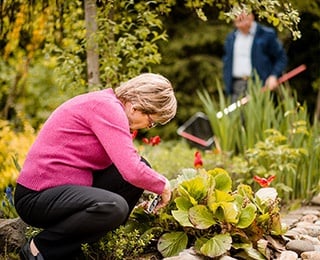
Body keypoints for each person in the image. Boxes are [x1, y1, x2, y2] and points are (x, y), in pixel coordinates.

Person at [14, 73, 177, 260]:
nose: (149, 126)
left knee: (138, 173)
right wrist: (163, 185)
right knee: (114, 206)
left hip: (66, 190)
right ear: (136, 105)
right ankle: (40, 248)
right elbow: (131, 169)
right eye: (152, 120)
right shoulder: (107, 108)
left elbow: (129, 167)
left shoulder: (110, 106)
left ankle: (76, 249)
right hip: (37, 196)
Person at [223, 11, 288, 103]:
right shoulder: (231, 38)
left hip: (260, 86)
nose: (240, 16)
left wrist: (274, 76)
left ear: (252, 16)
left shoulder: (267, 35)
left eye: (243, 12)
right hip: (236, 86)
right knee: (236, 117)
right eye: (236, 14)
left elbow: (281, 58)